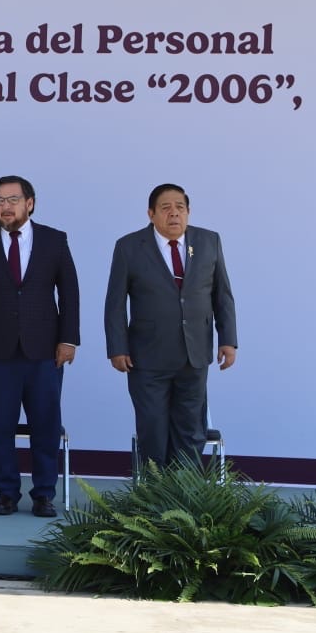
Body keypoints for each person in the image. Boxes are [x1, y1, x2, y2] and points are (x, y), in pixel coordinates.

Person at [0, 175, 80, 517]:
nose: (4, 206)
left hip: (46, 351)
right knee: (1, 425)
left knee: (46, 425)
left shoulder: (54, 240)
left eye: (12, 200)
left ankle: (44, 494)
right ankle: (6, 492)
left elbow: (69, 292)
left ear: (30, 203)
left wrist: (68, 339)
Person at [105, 183, 237, 468]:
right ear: (151, 214)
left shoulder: (208, 241)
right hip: (147, 357)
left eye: (180, 207)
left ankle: (184, 498)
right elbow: (115, 304)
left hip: (194, 354)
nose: (174, 214)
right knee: (153, 429)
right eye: (166, 208)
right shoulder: (129, 247)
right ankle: (154, 498)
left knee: (191, 429)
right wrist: (117, 347)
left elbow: (222, 295)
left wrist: (228, 339)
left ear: (188, 212)